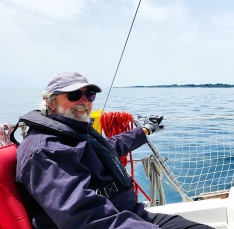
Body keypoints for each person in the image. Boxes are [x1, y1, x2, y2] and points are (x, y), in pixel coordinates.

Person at [16, 71, 213, 229]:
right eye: (74, 95)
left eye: (89, 94)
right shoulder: (46, 150)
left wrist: (145, 131)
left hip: (132, 214)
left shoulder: (74, 133)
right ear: (50, 101)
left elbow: (110, 148)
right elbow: (84, 218)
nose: (84, 101)